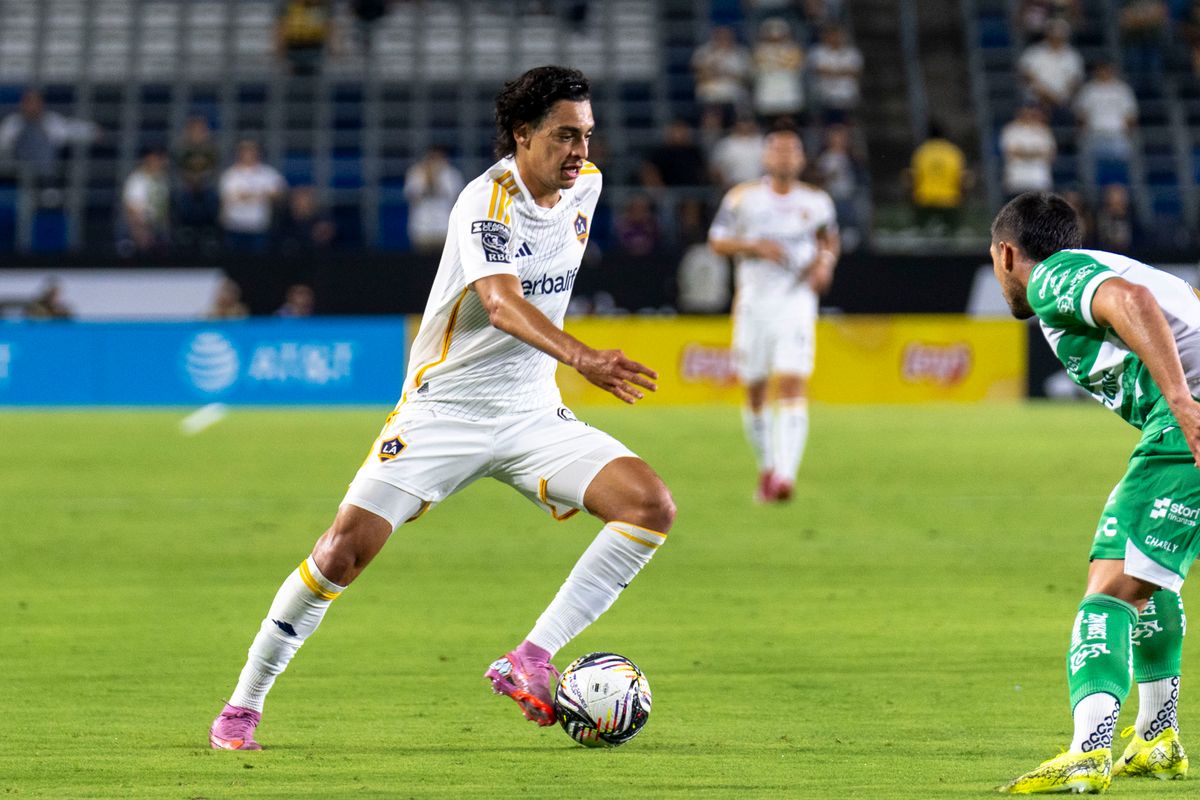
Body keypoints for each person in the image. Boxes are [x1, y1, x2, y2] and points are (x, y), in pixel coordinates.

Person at [209, 65, 675, 750]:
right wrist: (584, 358)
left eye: (586, 135)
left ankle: (531, 656)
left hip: (531, 413)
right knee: (341, 553)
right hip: (443, 413)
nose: (580, 151)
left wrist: (564, 369)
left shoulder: (588, 185)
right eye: (564, 136)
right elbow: (501, 303)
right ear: (521, 134)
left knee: (648, 506)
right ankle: (242, 706)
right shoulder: (484, 202)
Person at [990, 191, 1193, 794]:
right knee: (1147, 578)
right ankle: (1156, 738)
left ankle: (1088, 750)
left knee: (1109, 590)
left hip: (1186, 422)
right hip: (1179, 424)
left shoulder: (1052, 275)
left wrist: (1182, 401)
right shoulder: (1106, 266)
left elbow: (1133, 302)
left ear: (1007, 254)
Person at [708, 124, 840, 503]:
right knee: (755, 389)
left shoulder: (817, 201)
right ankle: (768, 466)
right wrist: (754, 246)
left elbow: (829, 239)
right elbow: (716, 241)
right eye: (778, 150)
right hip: (753, 303)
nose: (785, 157)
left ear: (801, 158)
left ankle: (785, 476)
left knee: (793, 382)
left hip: (796, 301)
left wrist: (825, 264)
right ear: (766, 157)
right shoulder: (743, 198)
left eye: (791, 150)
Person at [0, 89, 99, 179]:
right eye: (28, 103)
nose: (32, 107)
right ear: (22, 105)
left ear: (41, 104)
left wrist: (93, 131)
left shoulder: (51, 121)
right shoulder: (12, 123)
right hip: (17, 175)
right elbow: (3, 142)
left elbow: (71, 130)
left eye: (35, 103)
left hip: (46, 175)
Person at [218, 140, 287, 253]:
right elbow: (226, 198)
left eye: (251, 151)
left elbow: (279, 193)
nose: (248, 154)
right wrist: (260, 194)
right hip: (234, 226)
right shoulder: (230, 174)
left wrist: (252, 195)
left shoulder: (268, 173)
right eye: (245, 151)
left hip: (258, 226)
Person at [906, 123, 970, 234]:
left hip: (925, 200)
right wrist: (963, 200)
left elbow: (912, 178)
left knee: (921, 234)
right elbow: (963, 179)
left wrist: (910, 199)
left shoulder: (922, 152)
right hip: (949, 200)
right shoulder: (953, 152)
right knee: (951, 235)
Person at [404, 146, 465, 254]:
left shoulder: (451, 174)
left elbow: (457, 198)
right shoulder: (416, 173)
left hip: (444, 227)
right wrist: (427, 180)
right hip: (422, 227)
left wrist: (437, 180)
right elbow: (411, 196)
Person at [1017, 20, 1085, 115]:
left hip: (1064, 105)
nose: (1057, 37)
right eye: (1054, 34)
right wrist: (1049, 97)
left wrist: (1061, 99)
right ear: (1048, 34)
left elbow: (1075, 81)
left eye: (1060, 35)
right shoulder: (1033, 53)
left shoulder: (1073, 56)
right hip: (1036, 104)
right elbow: (1028, 77)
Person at [751, 17, 805, 124]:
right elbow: (759, 67)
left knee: (788, 117)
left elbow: (795, 66)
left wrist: (774, 63)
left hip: (787, 87)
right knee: (768, 118)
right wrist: (778, 63)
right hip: (768, 88)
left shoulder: (793, 49)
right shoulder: (759, 50)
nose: (775, 37)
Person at [119, 147, 171, 256]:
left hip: (157, 225)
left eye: (160, 160)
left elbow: (164, 208)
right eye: (155, 160)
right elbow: (131, 209)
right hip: (141, 224)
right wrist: (143, 227)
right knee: (143, 236)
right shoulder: (137, 179)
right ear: (148, 160)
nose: (159, 164)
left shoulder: (162, 180)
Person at [808, 24, 863, 123]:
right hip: (825, 94)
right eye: (831, 35)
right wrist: (842, 70)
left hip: (847, 94)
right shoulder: (817, 52)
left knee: (847, 123)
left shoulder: (851, 52)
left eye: (837, 35)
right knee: (827, 124)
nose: (835, 38)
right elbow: (818, 70)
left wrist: (832, 71)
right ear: (826, 36)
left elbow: (855, 71)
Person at [1000, 103, 1056, 197]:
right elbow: (1011, 152)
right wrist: (1036, 152)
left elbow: (1050, 154)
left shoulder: (1043, 130)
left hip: (1039, 179)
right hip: (1017, 179)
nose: (1028, 115)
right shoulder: (1010, 130)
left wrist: (1024, 151)